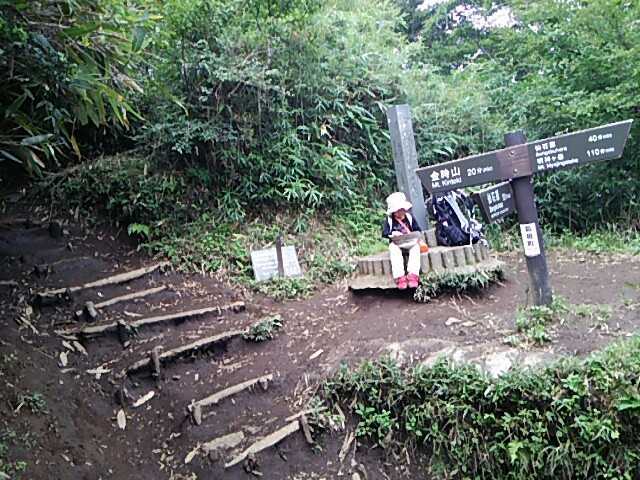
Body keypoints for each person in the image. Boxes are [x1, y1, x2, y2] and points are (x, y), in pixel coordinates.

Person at [381, 192, 422, 289]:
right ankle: (399, 276)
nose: (400, 212)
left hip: (410, 241)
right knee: (393, 250)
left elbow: (418, 229)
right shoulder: (389, 220)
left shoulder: (409, 218)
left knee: (416, 248)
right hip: (396, 243)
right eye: (397, 210)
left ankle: (413, 274)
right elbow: (385, 233)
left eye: (401, 210)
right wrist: (393, 234)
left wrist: (412, 235)